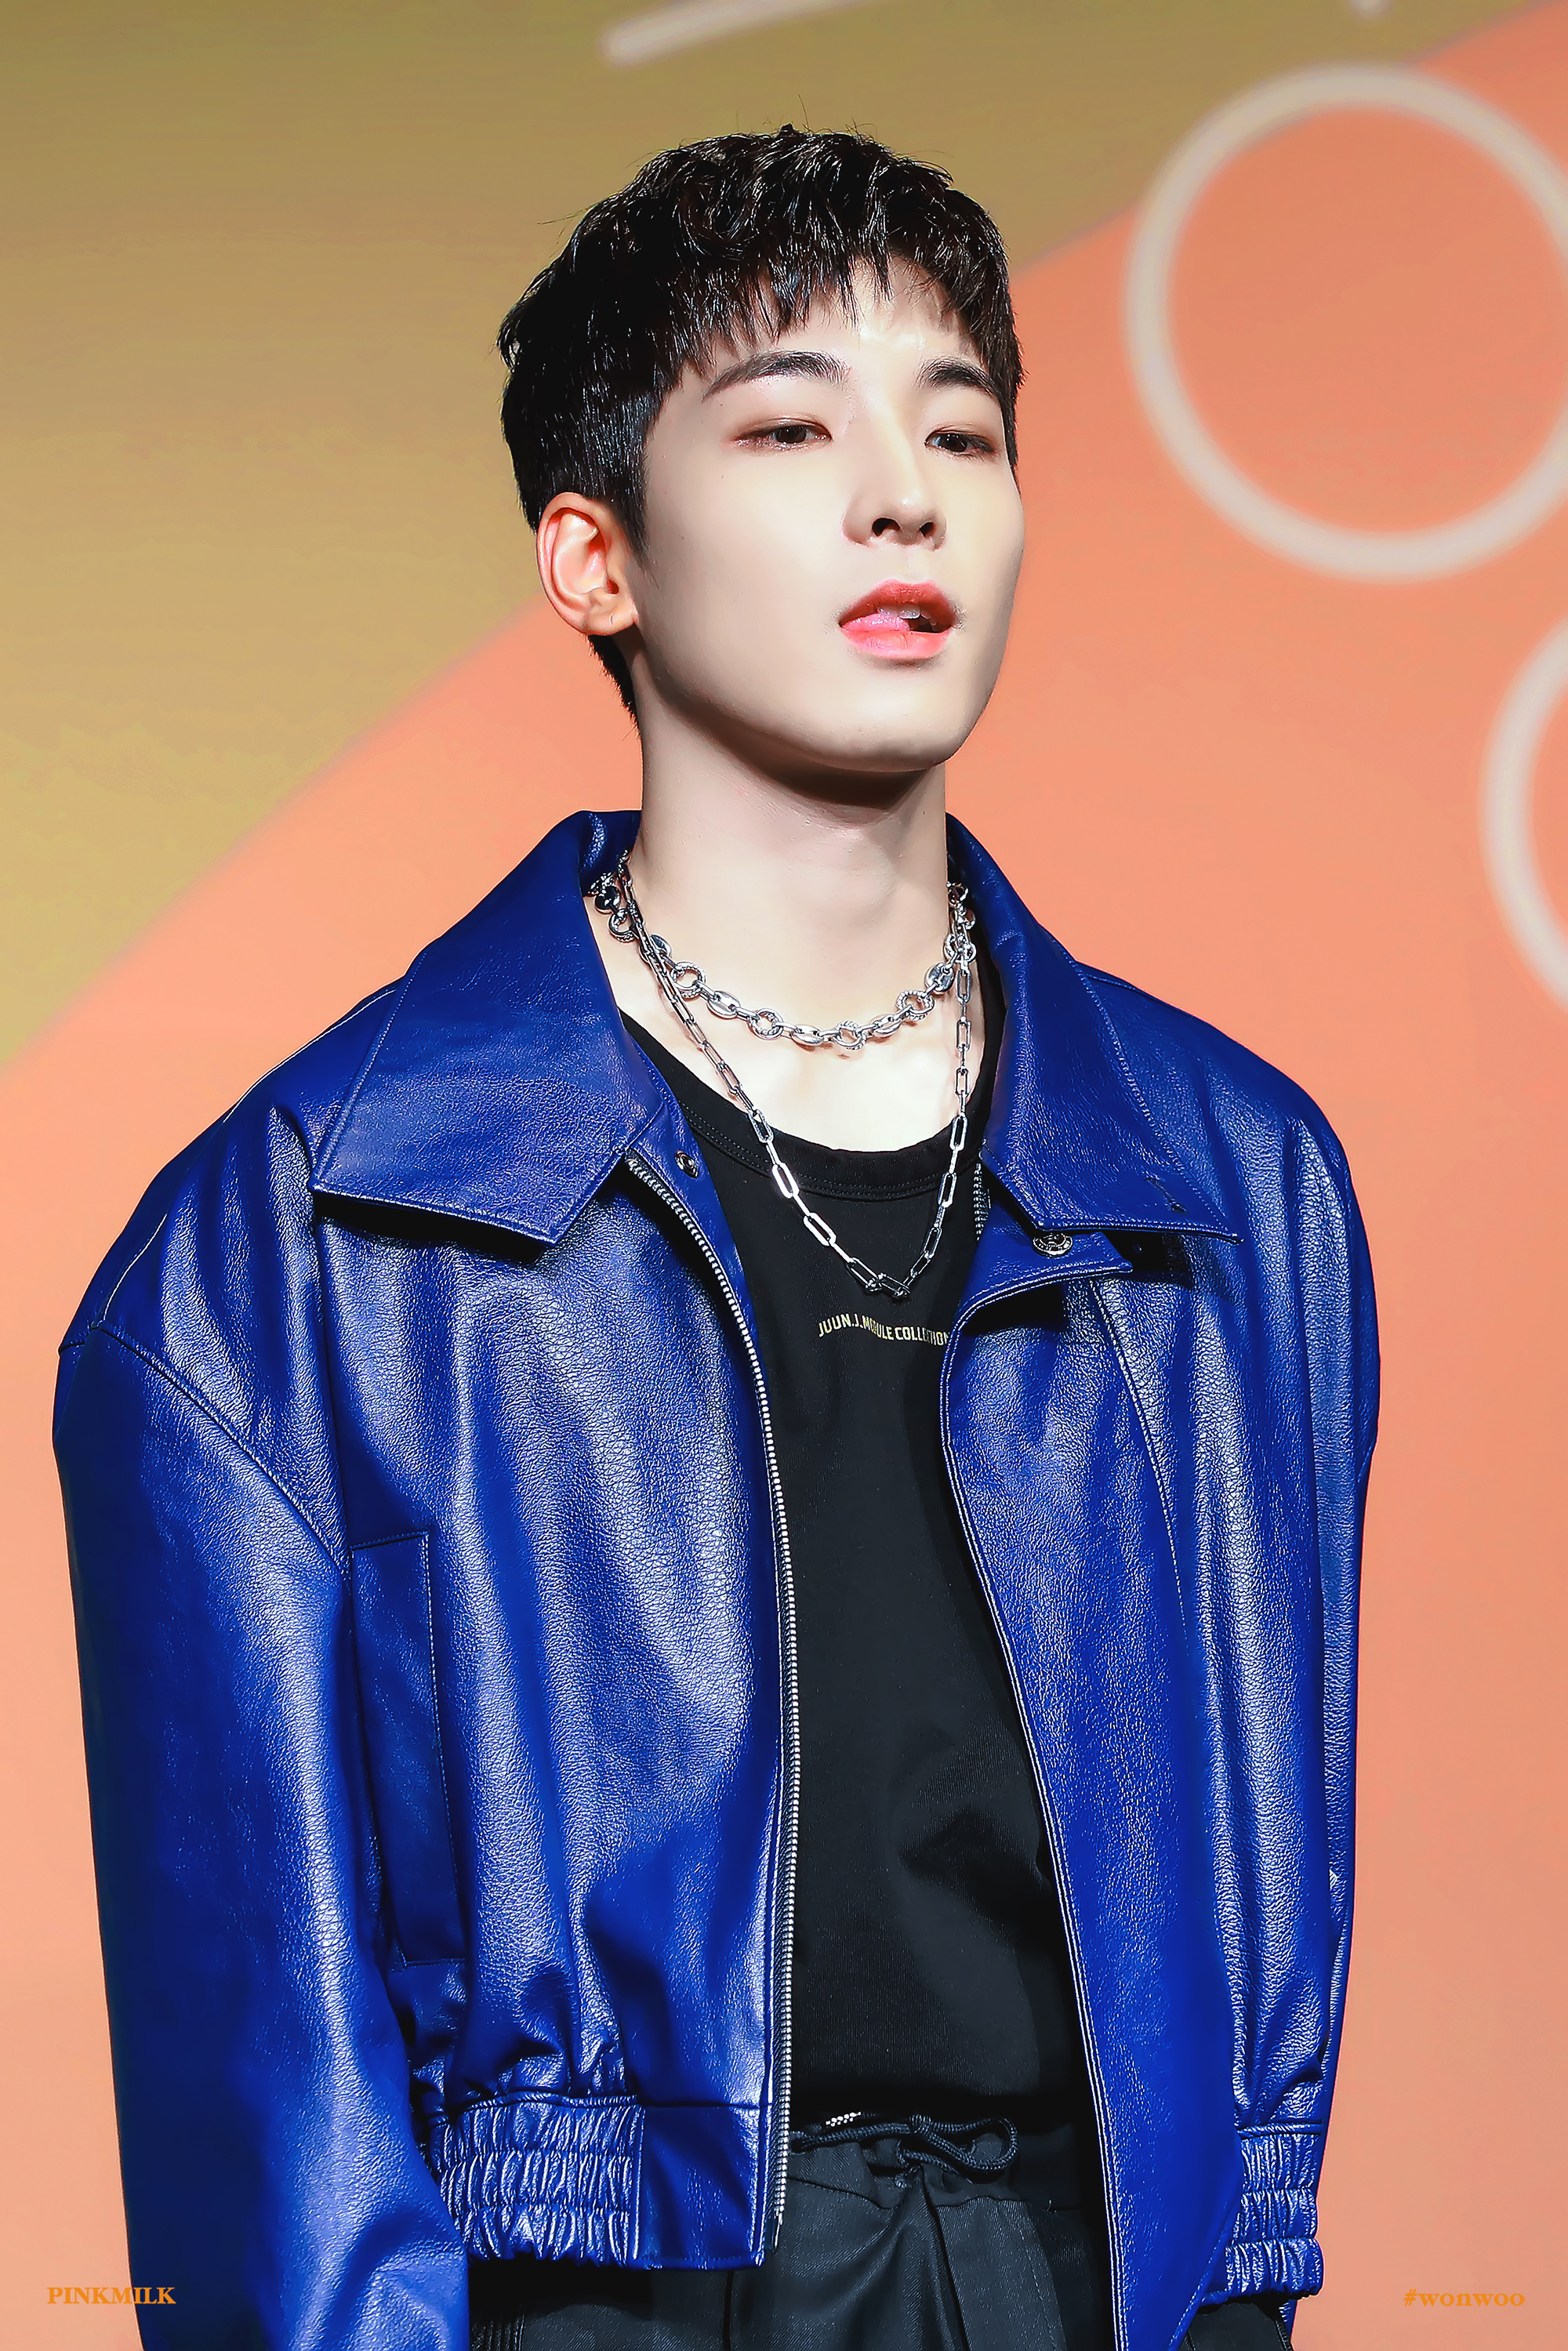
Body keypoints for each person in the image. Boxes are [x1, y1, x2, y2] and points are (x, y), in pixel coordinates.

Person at [55, 129, 1377, 2351]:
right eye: (788, 430)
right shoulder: (289, 1239)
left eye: (962, 431)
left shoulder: (1238, 1184)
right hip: (600, 2303)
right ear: (596, 558)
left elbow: (1263, 1914)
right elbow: (256, 2110)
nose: (903, 499)